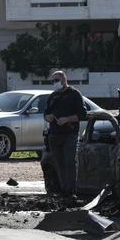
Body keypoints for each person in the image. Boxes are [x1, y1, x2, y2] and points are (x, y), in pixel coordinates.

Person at [44, 70, 87, 199]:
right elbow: (45, 114)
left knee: (70, 162)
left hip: (70, 134)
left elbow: (82, 115)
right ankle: (64, 190)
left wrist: (67, 119)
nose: (54, 83)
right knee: (59, 163)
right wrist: (48, 117)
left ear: (64, 79)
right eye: (52, 81)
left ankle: (71, 192)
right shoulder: (52, 96)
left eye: (56, 80)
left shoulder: (74, 94)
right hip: (54, 135)